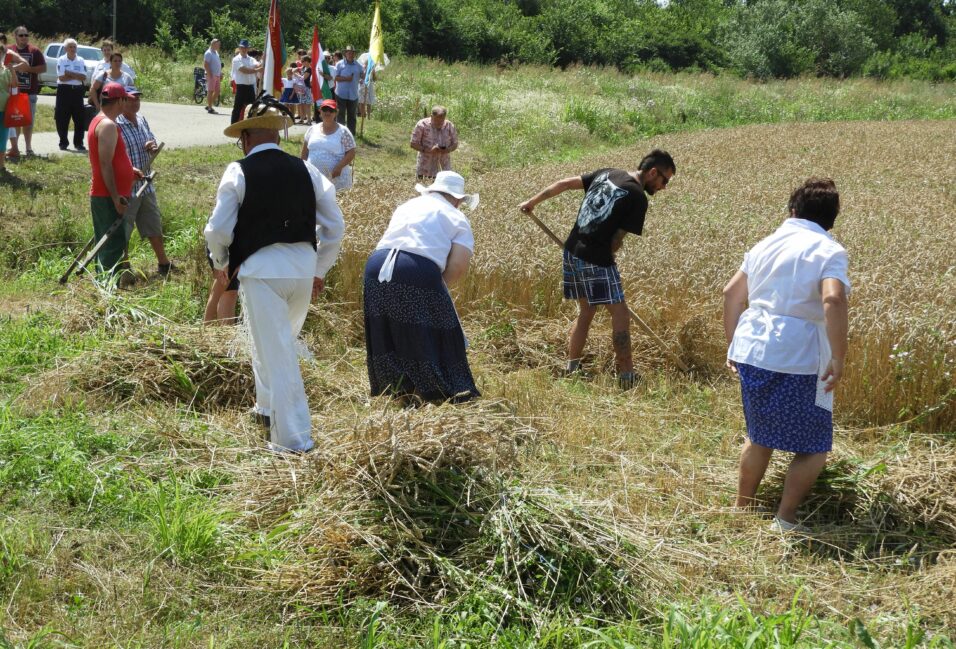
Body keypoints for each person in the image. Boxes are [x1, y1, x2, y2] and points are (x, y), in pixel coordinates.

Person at [204, 96, 345, 453]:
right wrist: (319, 269)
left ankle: (294, 441)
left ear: (246, 138)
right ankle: (266, 408)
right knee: (269, 344)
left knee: (278, 352)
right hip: (301, 272)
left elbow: (217, 230)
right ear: (278, 137)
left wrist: (221, 264)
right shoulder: (308, 171)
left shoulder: (238, 170)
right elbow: (335, 227)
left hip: (261, 273)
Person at [723, 178, 850, 534]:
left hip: (753, 348)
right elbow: (833, 300)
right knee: (813, 446)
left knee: (759, 434)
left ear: (793, 211)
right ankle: (786, 518)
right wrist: (838, 357)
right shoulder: (829, 251)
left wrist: (735, 345)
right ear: (831, 219)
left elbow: (731, 294)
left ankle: (741, 508)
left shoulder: (764, 244)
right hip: (800, 356)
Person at [518, 149, 675, 389]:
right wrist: (610, 255)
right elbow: (615, 240)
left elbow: (564, 183)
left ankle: (572, 366)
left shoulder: (607, 173)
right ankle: (626, 375)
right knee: (620, 313)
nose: (664, 187)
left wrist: (532, 202)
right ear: (653, 172)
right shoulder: (637, 197)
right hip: (596, 259)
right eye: (665, 180)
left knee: (587, 311)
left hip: (571, 252)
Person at [364, 171, 480, 404]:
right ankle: (441, 393)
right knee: (435, 333)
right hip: (415, 268)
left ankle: (399, 393)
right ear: (458, 199)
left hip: (376, 266)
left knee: (387, 329)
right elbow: (457, 266)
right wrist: (434, 290)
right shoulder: (456, 217)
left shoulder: (408, 205)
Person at [117, 86, 173, 277]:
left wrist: (151, 147)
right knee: (124, 230)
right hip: (128, 188)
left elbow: (152, 142)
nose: (135, 103)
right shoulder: (116, 124)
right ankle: (124, 268)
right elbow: (115, 156)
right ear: (122, 101)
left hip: (146, 185)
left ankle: (164, 263)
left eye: (138, 99)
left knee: (153, 224)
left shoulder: (141, 120)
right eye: (131, 100)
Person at [87, 83, 139, 279]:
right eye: (126, 99)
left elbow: (111, 159)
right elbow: (105, 164)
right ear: (120, 101)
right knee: (112, 243)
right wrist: (116, 197)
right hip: (107, 195)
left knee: (111, 241)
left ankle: (110, 285)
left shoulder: (100, 121)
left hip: (108, 192)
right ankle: (107, 288)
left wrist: (128, 170)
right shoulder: (108, 125)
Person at [301, 99, 356, 193]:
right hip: (314, 179)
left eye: (331, 110)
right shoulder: (312, 129)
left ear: (336, 113)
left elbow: (351, 152)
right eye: (325, 109)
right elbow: (304, 153)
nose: (327, 112)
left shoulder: (343, 131)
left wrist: (339, 167)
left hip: (336, 179)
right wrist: (302, 170)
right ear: (320, 111)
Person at [8, 26, 45, 160]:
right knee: (14, 121)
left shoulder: (34, 51)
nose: (24, 37)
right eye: (21, 35)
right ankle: (14, 148)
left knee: (28, 122)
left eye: (26, 35)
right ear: (16, 36)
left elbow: (43, 68)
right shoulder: (9, 50)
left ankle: (28, 148)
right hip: (13, 92)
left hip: (29, 93)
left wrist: (28, 69)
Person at [54, 39, 88, 152]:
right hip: (64, 90)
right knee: (62, 118)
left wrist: (69, 72)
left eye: (74, 46)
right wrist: (76, 75)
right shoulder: (61, 60)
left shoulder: (81, 60)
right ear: (65, 49)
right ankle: (63, 142)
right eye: (70, 47)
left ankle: (79, 143)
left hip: (77, 91)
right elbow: (61, 77)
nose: (73, 49)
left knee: (79, 118)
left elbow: (83, 77)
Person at [410, 106, 458, 181]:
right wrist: (428, 150)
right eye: (436, 120)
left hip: (444, 166)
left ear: (445, 117)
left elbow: (455, 144)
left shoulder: (449, 126)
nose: (439, 123)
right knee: (423, 188)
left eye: (441, 121)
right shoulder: (421, 125)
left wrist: (447, 150)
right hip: (425, 167)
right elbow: (413, 143)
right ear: (431, 116)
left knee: (443, 189)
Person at [332, 45, 362, 134]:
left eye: (352, 53)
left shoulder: (358, 65)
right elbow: (335, 78)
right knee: (340, 115)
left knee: (352, 116)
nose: (350, 54)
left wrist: (368, 73)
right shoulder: (339, 64)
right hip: (341, 94)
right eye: (349, 52)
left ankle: (351, 134)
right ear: (345, 53)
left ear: (354, 54)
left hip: (353, 94)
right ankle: (340, 133)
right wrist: (346, 79)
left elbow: (362, 75)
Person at [230, 40, 261, 124]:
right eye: (242, 47)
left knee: (252, 108)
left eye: (246, 48)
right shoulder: (236, 59)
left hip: (250, 87)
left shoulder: (251, 59)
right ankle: (233, 126)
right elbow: (244, 70)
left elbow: (258, 64)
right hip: (241, 87)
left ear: (248, 48)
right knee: (237, 108)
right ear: (239, 48)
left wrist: (262, 63)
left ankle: (250, 126)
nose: (244, 49)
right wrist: (258, 69)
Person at [0, 43, 18, 175]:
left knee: (2, 137)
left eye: (2, 53)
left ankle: (1, 166)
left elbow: (15, 85)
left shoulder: (6, 70)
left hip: (4, 109)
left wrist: (12, 69)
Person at [203, 38, 222, 114]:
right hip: (211, 75)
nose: (219, 46)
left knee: (217, 91)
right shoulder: (208, 53)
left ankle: (209, 105)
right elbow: (205, 64)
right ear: (213, 44)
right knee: (210, 91)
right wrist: (210, 74)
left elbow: (217, 64)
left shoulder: (216, 53)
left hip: (217, 75)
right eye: (218, 44)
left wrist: (220, 73)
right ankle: (210, 108)